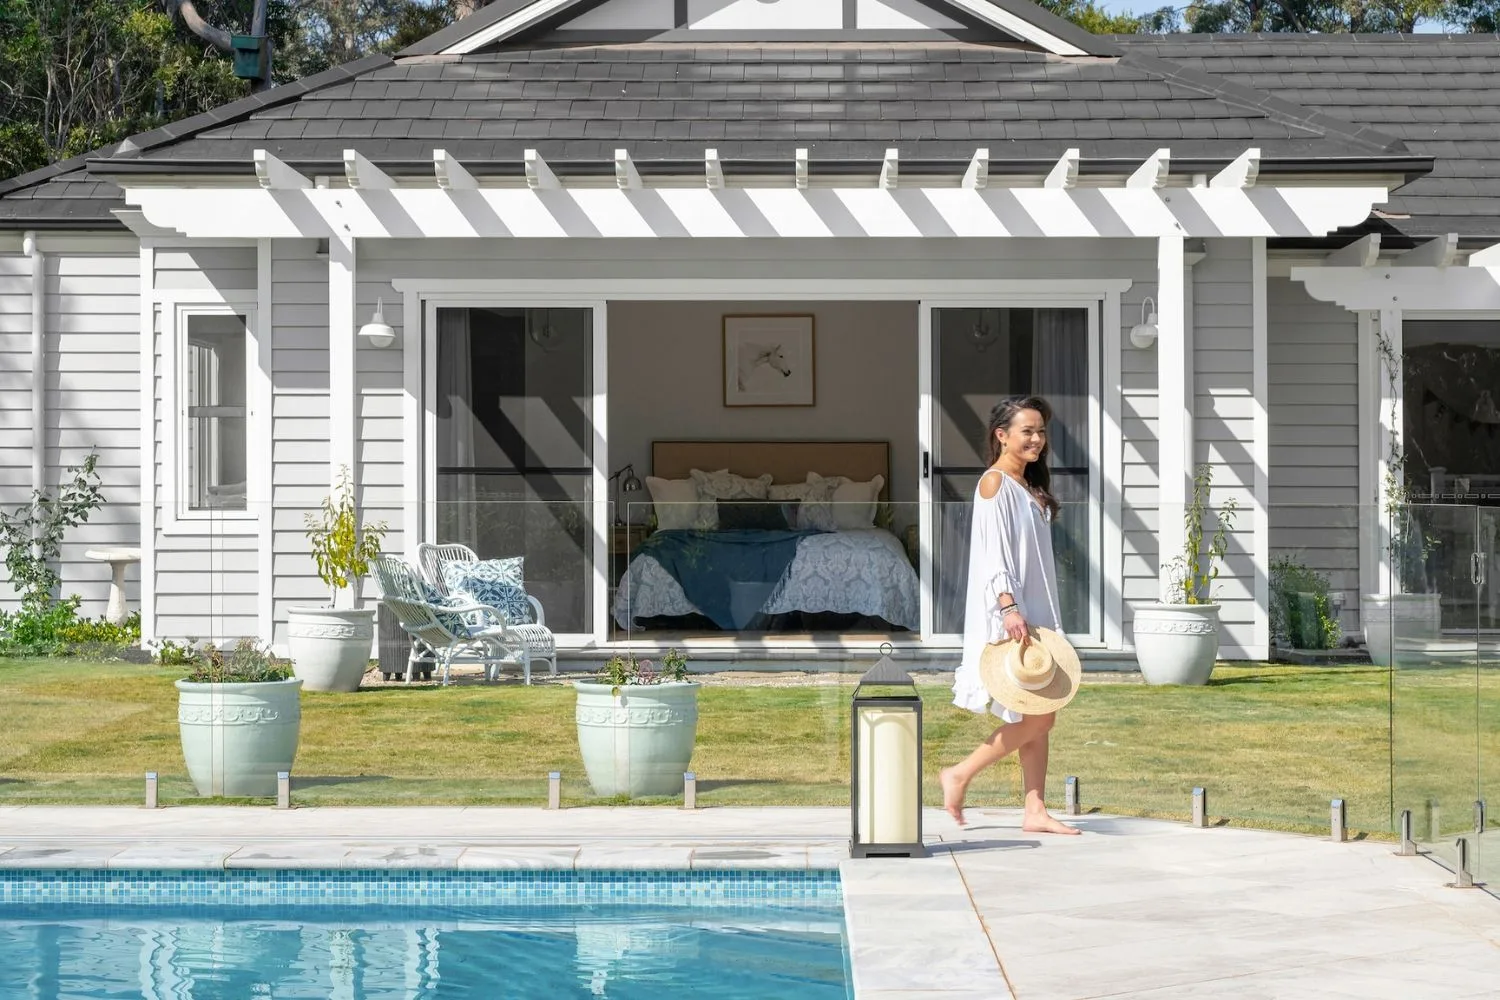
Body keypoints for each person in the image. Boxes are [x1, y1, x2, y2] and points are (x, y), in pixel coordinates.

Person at [940, 395, 1079, 835]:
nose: (1037, 439)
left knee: (1036, 709)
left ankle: (1035, 810)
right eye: (1027, 431)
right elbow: (993, 552)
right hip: (1012, 612)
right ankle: (960, 773)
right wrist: (1009, 608)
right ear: (1002, 435)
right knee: (1043, 714)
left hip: (1033, 610)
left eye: (1041, 431)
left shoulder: (1026, 486)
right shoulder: (994, 484)